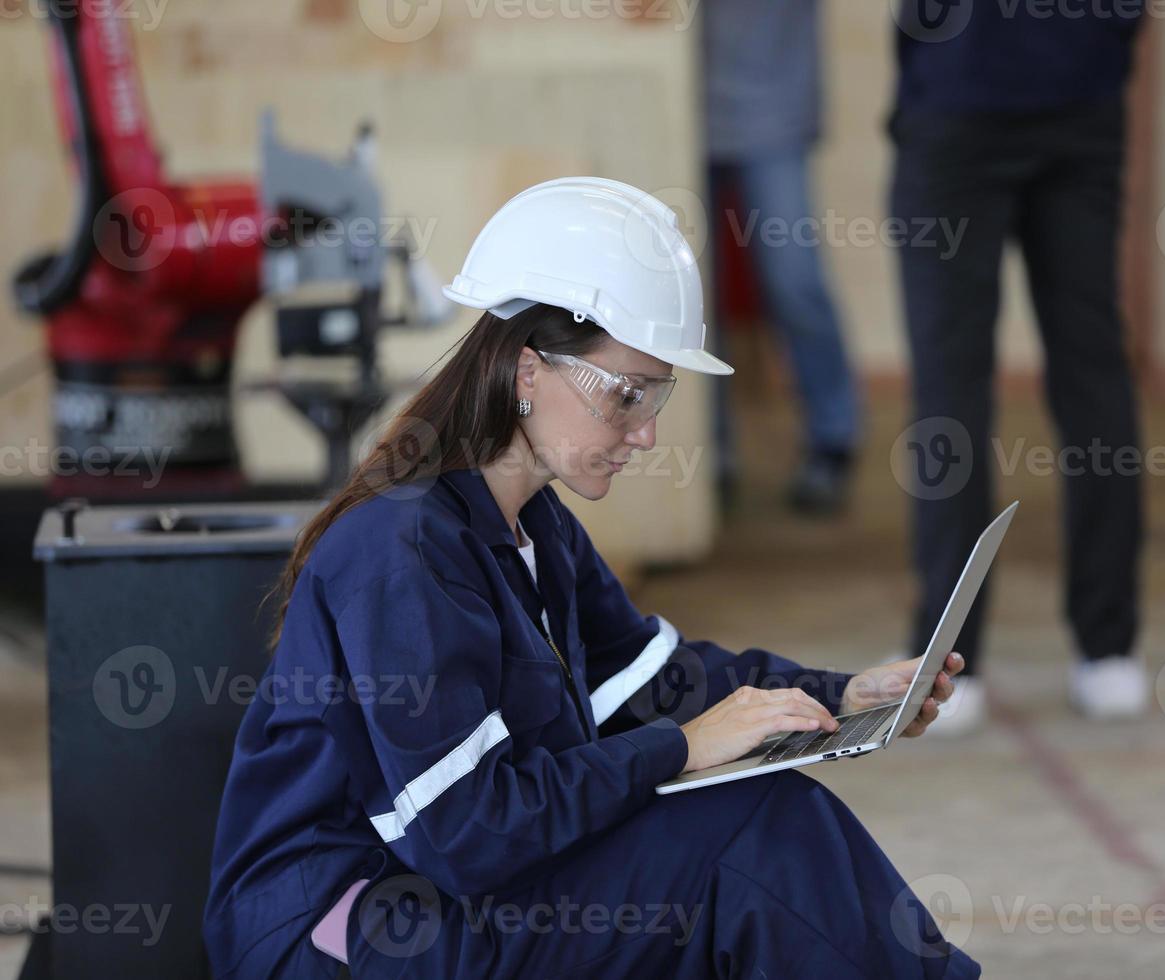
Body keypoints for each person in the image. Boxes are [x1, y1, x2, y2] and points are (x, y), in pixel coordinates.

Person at [203, 178, 980, 978]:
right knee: (744, 844)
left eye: (658, 396)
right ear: (526, 371)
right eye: (625, 395)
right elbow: (465, 831)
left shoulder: (534, 525)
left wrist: (840, 698)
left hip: (445, 889)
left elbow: (659, 684)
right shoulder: (401, 549)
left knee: (761, 818)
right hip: (347, 925)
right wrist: (679, 751)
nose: (645, 433)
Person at [888, 3, 1149, 732]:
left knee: (950, 385)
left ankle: (949, 663)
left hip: (962, 93)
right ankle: (1109, 654)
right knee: (1093, 371)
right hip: (1080, 91)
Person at [701, 0, 863, 515]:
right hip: (678, 103)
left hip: (775, 111)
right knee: (687, 295)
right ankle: (707, 452)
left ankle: (833, 437)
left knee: (795, 280)